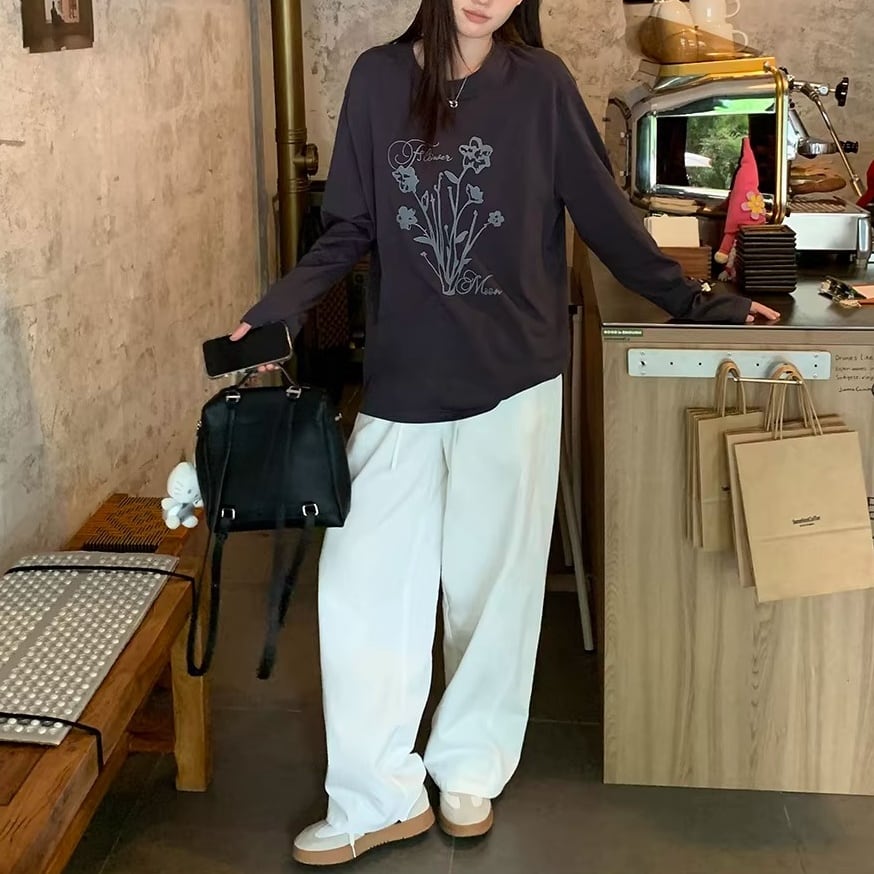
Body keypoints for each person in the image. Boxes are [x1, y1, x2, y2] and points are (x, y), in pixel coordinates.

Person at [230, 0, 779, 866]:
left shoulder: (541, 86)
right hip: (405, 379)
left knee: (494, 591)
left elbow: (603, 214)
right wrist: (276, 313)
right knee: (361, 587)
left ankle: (467, 770)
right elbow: (350, 227)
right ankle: (375, 796)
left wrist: (699, 302)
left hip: (515, 376)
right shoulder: (378, 79)